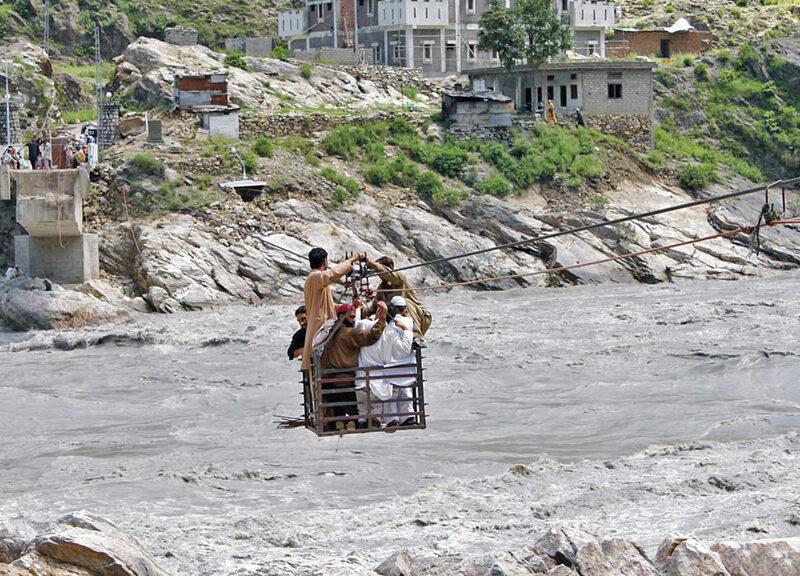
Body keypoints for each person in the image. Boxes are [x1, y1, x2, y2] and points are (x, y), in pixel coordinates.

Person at [320, 301, 387, 430]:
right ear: (341, 317)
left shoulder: (330, 330)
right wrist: (382, 318)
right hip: (347, 380)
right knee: (356, 411)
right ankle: (355, 422)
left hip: (330, 381)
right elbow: (371, 336)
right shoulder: (349, 333)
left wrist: (357, 306)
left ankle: (340, 422)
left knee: (338, 411)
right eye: (351, 317)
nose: (353, 319)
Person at [300, 248, 364, 373]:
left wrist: (344, 307)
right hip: (321, 327)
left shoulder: (315, 279)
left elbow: (325, 304)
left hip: (323, 325)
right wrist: (353, 260)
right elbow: (331, 275)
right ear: (325, 261)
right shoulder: (315, 277)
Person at [355, 295, 414, 428]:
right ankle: (378, 419)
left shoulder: (364, 324)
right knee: (380, 402)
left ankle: (364, 421)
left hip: (362, 378)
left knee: (363, 409)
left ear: (378, 312)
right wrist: (406, 331)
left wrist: (358, 309)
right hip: (380, 380)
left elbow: (355, 322)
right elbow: (403, 350)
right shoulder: (392, 331)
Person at [367, 256, 432, 339]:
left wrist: (372, 263)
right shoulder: (382, 288)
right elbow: (373, 308)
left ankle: (416, 336)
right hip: (398, 320)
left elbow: (388, 273)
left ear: (391, 267)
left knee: (403, 302)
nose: (380, 275)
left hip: (420, 317)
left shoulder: (400, 278)